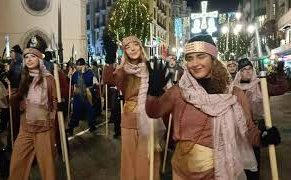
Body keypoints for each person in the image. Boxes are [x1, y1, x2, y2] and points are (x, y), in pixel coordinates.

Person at [145, 35, 281, 180]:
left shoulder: (234, 94)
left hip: (218, 173)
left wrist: (263, 137)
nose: (194, 63)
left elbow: (247, 131)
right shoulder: (179, 91)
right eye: (189, 58)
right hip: (180, 171)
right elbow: (154, 112)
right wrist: (152, 92)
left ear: (213, 58)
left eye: (201, 56)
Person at [103, 36, 164, 180]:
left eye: (135, 45)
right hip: (129, 117)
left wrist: (159, 90)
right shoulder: (122, 70)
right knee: (129, 157)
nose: (132, 49)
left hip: (148, 117)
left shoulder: (151, 67)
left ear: (140, 46)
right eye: (128, 47)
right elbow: (108, 79)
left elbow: (161, 92)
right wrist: (109, 60)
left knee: (148, 157)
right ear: (124, 51)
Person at [9, 48, 59, 180]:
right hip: (25, 127)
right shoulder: (24, 77)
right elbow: (22, 100)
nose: (29, 60)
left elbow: (53, 102)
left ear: (39, 59)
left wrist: (52, 123)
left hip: (43, 127)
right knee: (17, 163)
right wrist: (16, 99)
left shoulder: (48, 78)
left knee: (47, 168)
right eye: (26, 57)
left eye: (33, 56)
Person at [232, 58, 286, 180]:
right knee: (239, 160)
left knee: (255, 158)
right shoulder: (233, 88)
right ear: (239, 72)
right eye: (244, 69)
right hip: (239, 128)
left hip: (256, 127)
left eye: (250, 68)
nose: (248, 72)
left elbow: (281, 89)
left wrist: (280, 73)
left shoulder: (261, 84)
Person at [67, 58, 98, 135]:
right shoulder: (75, 74)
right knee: (75, 111)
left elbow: (89, 82)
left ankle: (92, 125)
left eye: (79, 65)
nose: (78, 67)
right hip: (78, 94)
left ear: (84, 65)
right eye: (77, 65)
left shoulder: (90, 73)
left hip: (87, 94)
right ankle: (71, 127)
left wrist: (83, 73)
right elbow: (71, 82)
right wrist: (69, 75)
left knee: (90, 110)